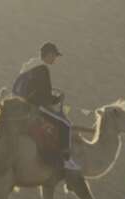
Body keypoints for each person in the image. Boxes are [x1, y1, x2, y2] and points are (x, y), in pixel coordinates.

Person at [12, 42, 80, 171]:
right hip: (34, 106)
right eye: (54, 56)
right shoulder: (42, 69)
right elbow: (45, 96)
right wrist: (57, 99)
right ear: (49, 55)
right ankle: (66, 160)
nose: (55, 59)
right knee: (65, 124)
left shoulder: (29, 67)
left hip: (23, 104)